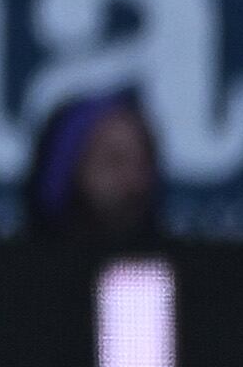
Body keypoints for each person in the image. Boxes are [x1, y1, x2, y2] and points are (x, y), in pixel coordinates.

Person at [22, 85, 167, 249]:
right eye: (114, 162)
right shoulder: (15, 269)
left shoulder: (164, 271)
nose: (135, 182)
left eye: (144, 165)